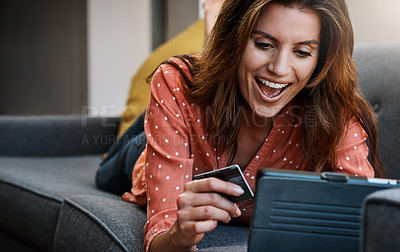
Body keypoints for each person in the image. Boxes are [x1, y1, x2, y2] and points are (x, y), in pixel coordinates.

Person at [105, 0, 386, 251]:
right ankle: (210, 60)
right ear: (236, 40)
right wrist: (179, 237)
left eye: (302, 52)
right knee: (111, 164)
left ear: (320, 58)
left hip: (204, 104)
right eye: (264, 45)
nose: (279, 68)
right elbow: (160, 235)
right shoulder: (175, 82)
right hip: (153, 148)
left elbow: (364, 221)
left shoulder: (335, 114)